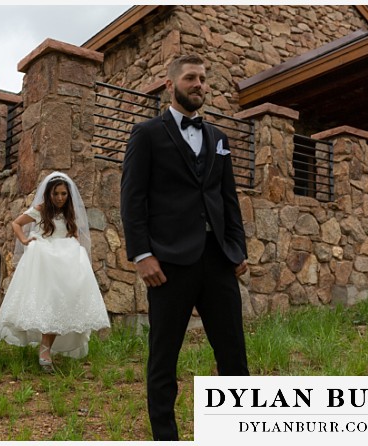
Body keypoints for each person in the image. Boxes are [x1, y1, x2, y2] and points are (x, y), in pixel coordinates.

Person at [120, 55, 250, 441]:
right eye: (191, 78)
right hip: (169, 263)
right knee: (164, 358)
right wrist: (142, 254)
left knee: (234, 357)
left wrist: (237, 247)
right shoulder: (146, 134)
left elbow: (229, 198)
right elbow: (132, 199)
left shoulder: (218, 138)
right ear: (170, 84)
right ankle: (166, 436)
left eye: (204, 79)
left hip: (218, 261)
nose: (199, 85)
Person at [0, 172, 110, 372]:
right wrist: (24, 240)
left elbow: (71, 233)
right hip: (45, 260)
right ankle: (44, 351)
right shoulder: (40, 210)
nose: (60, 198)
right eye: (56, 193)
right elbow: (16, 223)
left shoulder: (69, 213)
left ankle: (46, 349)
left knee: (61, 304)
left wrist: (74, 246)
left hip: (64, 262)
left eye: (64, 194)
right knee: (48, 301)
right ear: (49, 194)